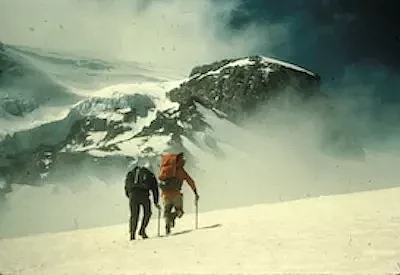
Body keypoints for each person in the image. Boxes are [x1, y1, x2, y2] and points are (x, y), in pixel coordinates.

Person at [158, 152, 199, 235]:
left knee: (167, 211)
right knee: (179, 212)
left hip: (165, 194)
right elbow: (190, 181)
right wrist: (195, 193)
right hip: (176, 194)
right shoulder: (180, 171)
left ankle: (167, 225)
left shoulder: (164, 170)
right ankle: (172, 217)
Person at [124, 161, 160, 240]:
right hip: (144, 196)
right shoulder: (150, 174)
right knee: (147, 213)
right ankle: (142, 230)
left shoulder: (131, 173)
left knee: (134, 215)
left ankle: (132, 234)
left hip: (133, 196)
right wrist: (156, 202)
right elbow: (155, 189)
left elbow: (126, 186)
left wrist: (129, 195)